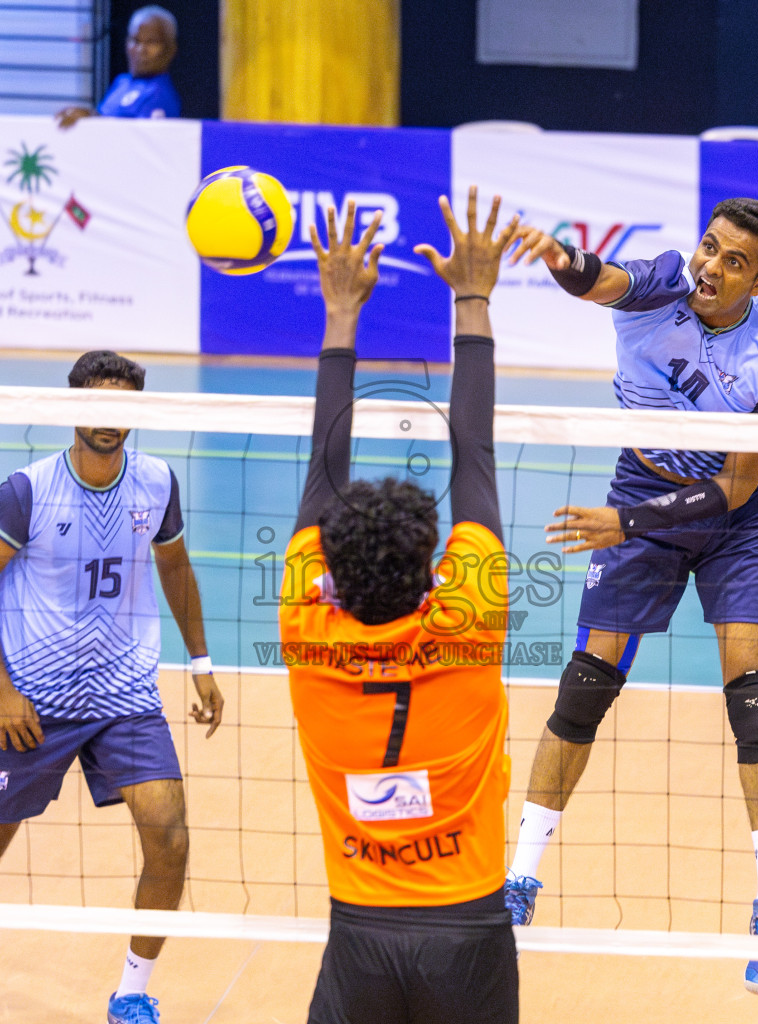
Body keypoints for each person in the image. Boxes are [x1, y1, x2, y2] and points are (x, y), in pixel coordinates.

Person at [0, 351, 225, 1024]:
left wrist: (200, 660)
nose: (108, 419)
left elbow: (175, 567)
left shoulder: (156, 482)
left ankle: (133, 992)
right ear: (72, 407)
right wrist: (2, 690)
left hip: (123, 697)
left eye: (123, 406)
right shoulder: (27, 492)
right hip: (36, 703)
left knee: (169, 836)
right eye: (97, 404)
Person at [501, 199, 758, 996]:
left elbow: (735, 488)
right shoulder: (666, 282)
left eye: (734, 262)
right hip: (644, 484)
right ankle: (519, 880)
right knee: (584, 687)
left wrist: (624, 523)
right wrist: (560, 255)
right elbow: (598, 280)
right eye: (711, 247)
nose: (711, 267)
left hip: (737, 514)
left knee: (756, 699)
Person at [279, 189, 520, 1024]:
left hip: (360, 931)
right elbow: (475, 454)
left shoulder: (307, 625)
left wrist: (338, 312)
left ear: (331, 571)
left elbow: (322, 468)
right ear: (432, 564)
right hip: (470, 928)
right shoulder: (467, 619)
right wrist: (474, 296)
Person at [56, 5, 179, 129]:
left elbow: (139, 142)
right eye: (135, 41)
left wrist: (93, 119)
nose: (141, 49)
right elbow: (102, 119)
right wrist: (84, 117)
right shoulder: (121, 82)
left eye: (151, 42)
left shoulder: (159, 95)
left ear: (170, 49)